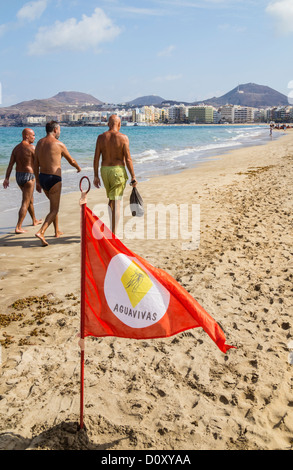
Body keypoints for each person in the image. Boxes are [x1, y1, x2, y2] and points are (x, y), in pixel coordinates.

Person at [34, 121, 81, 246]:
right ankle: (41, 232)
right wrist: (78, 168)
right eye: (59, 129)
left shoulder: (39, 143)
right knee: (55, 209)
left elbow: (35, 163)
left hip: (42, 178)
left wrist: (37, 181)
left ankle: (56, 231)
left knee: (52, 207)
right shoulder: (59, 144)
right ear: (55, 130)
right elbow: (71, 160)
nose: (59, 132)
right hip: (54, 179)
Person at [93, 115, 137, 235]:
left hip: (105, 171)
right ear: (119, 124)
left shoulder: (101, 137)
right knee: (117, 203)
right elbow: (128, 159)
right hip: (117, 171)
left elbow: (96, 158)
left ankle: (111, 228)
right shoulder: (123, 138)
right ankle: (114, 234)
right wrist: (133, 176)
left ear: (108, 124)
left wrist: (96, 175)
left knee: (111, 200)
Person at [3, 128, 42, 234]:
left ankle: (34, 220)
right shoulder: (32, 148)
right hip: (29, 176)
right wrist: (38, 181)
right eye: (32, 135)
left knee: (30, 199)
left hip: (18, 176)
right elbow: (37, 165)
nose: (34, 137)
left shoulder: (16, 149)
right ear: (26, 136)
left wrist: (6, 178)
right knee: (25, 202)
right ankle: (18, 227)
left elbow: (10, 165)